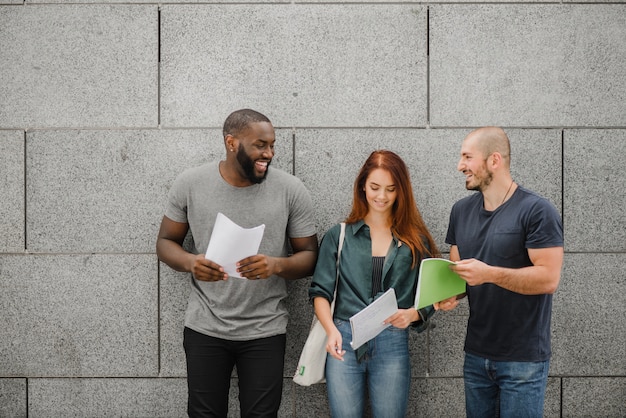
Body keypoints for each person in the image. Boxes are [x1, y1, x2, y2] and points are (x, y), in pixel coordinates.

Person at [156, 109, 318, 418]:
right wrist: (191, 262)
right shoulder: (190, 183)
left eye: (272, 145)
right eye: (260, 145)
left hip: (265, 329)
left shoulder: (291, 189)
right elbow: (165, 243)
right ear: (232, 143)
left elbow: (310, 256)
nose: (268, 153)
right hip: (205, 326)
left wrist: (276, 266)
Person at [441, 127, 564, 418]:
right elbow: (458, 274)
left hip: (523, 360)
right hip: (476, 356)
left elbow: (549, 278)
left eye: (467, 157)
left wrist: (490, 274)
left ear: (494, 160)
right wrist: (448, 295)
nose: (460, 166)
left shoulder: (537, 210)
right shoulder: (460, 211)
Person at [309, 150, 440, 418]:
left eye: (391, 189)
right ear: (362, 187)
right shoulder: (339, 236)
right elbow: (320, 292)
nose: (382, 196)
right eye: (375, 187)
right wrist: (331, 330)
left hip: (392, 340)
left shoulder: (416, 241)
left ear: (401, 191)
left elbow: (432, 294)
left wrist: (413, 314)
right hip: (344, 337)